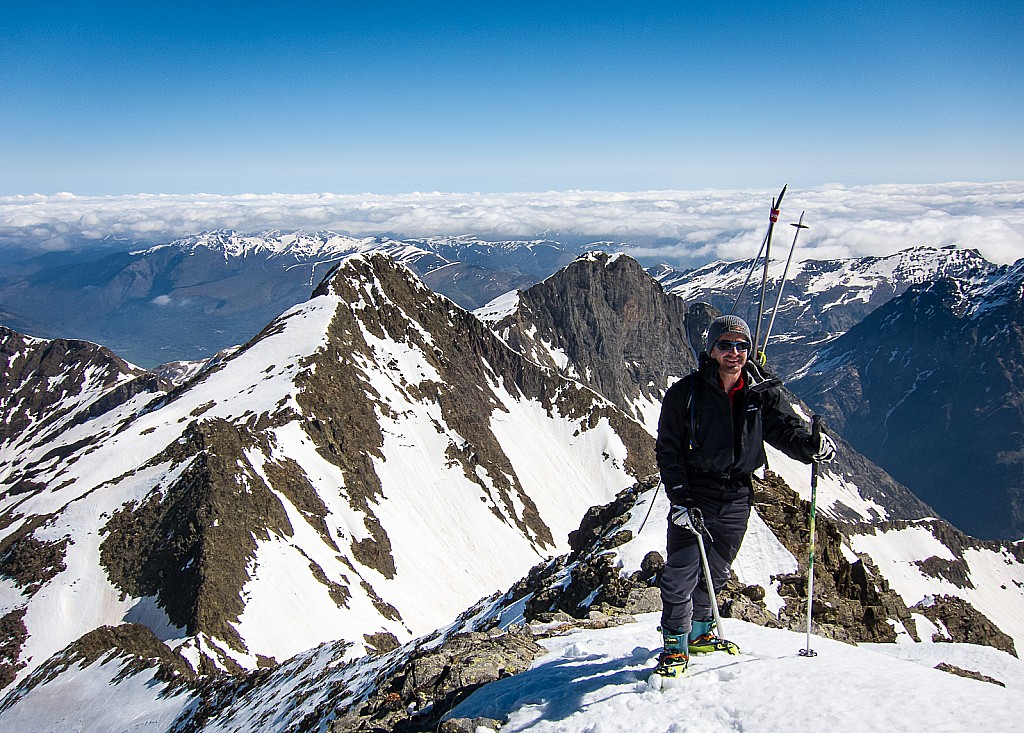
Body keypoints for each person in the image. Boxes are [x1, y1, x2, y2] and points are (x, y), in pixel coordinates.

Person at [654, 314, 836, 677]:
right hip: (697, 492)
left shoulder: (759, 391)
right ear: (711, 350)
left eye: (741, 346)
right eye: (725, 345)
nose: (734, 352)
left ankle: (700, 632)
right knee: (681, 571)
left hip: (738, 493)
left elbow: (783, 429)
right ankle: (674, 646)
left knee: (717, 569)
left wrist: (810, 447)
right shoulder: (685, 393)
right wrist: (681, 499)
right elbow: (668, 450)